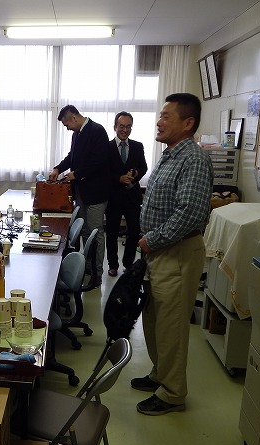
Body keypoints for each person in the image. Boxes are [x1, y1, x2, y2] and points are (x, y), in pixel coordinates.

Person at [132, 93, 213, 415]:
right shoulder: (170, 155)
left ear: (187, 123)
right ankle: (159, 374)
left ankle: (173, 393)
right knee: (154, 320)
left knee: (171, 326)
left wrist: (153, 239)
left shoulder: (193, 159)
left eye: (167, 116)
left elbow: (190, 213)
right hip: (158, 250)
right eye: (160, 115)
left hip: (177, 252)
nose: (159, 121)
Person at [49, 105, 110, 285]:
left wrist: (77, 174)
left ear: (74, 118)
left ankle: (97, 273)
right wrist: (58, 168)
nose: (67, 128)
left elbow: (99, 161)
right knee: (84, 231)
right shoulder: (77, 134)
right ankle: (87, 266)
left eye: (66, 124)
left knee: (95, 232)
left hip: (96, 193)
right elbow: (72, 157)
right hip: (81, 192)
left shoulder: (97, 131)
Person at [105, 111, 147, 277]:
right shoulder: (107, 147)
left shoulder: (138, 146)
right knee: (112, 232)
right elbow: (102, 172)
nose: (125, 130)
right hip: (113, 197)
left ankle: (128, 263)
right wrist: (119, 178)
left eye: (128, 126)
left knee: (134, 231)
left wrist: (135, 174)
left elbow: (143, 167)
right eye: (121, 126)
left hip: (132, 197)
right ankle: (113, 265)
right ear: (115, 127)